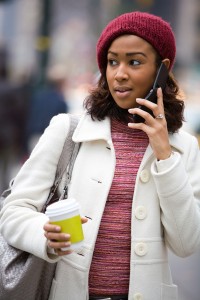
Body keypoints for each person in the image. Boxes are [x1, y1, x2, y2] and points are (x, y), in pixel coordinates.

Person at [0, 11, 200, 300]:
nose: (119, 73)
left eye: (134, 62)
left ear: (162, 69)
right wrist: (46, 233)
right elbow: (13, 211)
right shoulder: (68, 130)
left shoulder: (182, 148)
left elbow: (186, 243)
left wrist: (164, 155)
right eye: (112, 61)